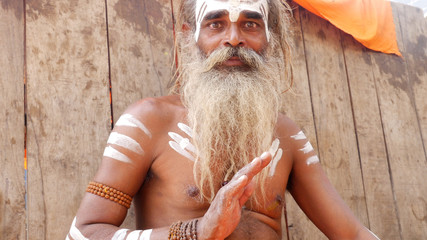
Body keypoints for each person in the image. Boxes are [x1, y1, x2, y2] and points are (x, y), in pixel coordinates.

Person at [67, 0, 380, 239]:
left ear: (270, 38)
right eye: (216, 24)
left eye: (251, 25)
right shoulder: (149, 121)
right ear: (190, 37)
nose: (234, 39)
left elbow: (352, 235)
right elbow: (83, 233)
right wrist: (198, 231)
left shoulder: (286, 135)